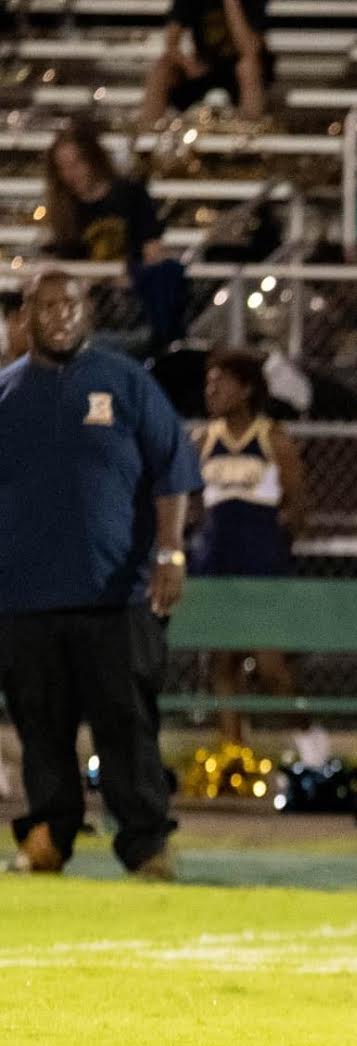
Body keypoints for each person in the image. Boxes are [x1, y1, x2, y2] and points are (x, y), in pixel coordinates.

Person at [0, 271, 200, 877]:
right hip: (25, 595)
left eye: (72, 304)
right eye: (47, 305)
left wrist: (170, 553)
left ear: (89, 312)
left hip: (117, 591)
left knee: (127, 721)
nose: (60, 316)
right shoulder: (6, 393)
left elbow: (173, 472)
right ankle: (48, 837)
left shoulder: (127, 382)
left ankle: (145, 844)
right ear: (26, 314)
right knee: (40, 724)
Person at [190, 347, 326, 765]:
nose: (212, 391)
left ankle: (310, 742)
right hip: (216, 561)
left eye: (222, 383)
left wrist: (277, 544)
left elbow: (298, 503)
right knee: (223, 661)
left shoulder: (273, 438)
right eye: (209, 383)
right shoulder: (201, 439)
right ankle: (235, 757)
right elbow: (191, 501)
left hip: (261, 562)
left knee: (271, 665)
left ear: (247, 389)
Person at [43, 120, 163, 266]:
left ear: (93, 159)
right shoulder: (65, 210)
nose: (70, 174)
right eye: (63, 168)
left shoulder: (131, 194)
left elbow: (152, 249)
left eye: (76, 164)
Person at [139, 0, 272, 124]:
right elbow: (171, 43)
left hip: (238, 74)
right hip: (204, 68)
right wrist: (189, 65)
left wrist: (232, 5)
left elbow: (249, 50)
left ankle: (249, 131)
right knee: (162, 67)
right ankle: (149, 131)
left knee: (248, 67)